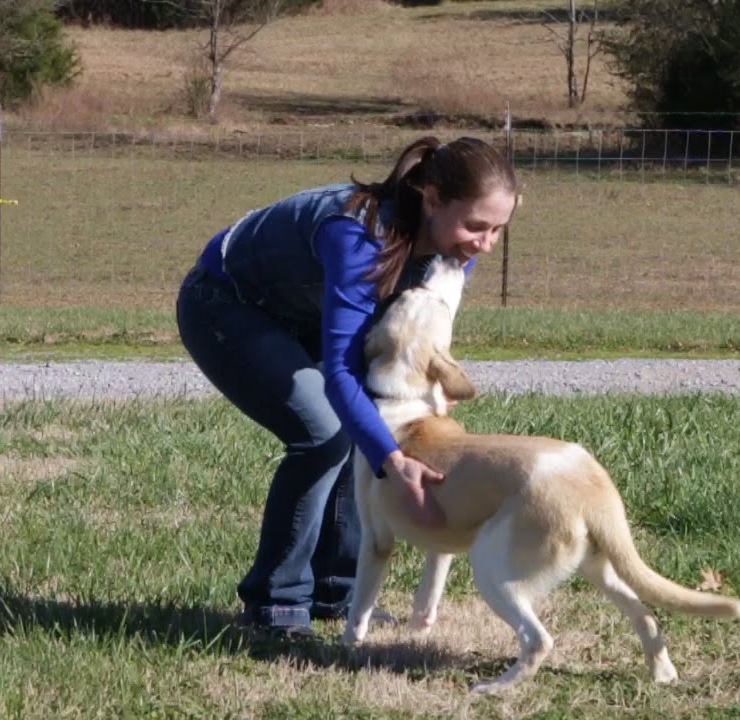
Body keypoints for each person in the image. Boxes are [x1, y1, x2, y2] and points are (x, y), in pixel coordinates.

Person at [175, 135, 518, 638]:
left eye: (498, 230)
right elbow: (341, 374)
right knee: (325, 434)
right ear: (432, 199)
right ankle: (275, 605)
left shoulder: (450, 246)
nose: (483, 245)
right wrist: (393, 459)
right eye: (475, 226)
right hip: (225, 305)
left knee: (360, 425)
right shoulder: (358, 239)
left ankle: (336, 591)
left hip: (301, 313)